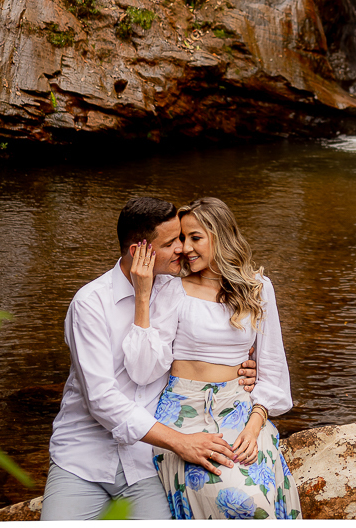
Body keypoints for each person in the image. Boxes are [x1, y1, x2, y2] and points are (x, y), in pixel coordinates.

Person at [40, 195, 256, 521]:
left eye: (183, 239)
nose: (182, 249)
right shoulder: (90, 304)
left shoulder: (174, 290)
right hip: (83, 457)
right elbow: (102, 399)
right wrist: (180, 442)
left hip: (147, 461)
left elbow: (213, 338)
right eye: (171, 243)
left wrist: (245, 366)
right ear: (137, 251)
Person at [123, 196, 302, 519]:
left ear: (219, 236)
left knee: (257, 498)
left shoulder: (258, 288)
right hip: (183, 409)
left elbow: (273, 367)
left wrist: (255, 425)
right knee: (235, 499)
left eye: (195, 238)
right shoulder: (171, 290)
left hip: (239, 407)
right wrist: (144, 295)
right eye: (181, 239)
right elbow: (143, 369)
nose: (185, 248)